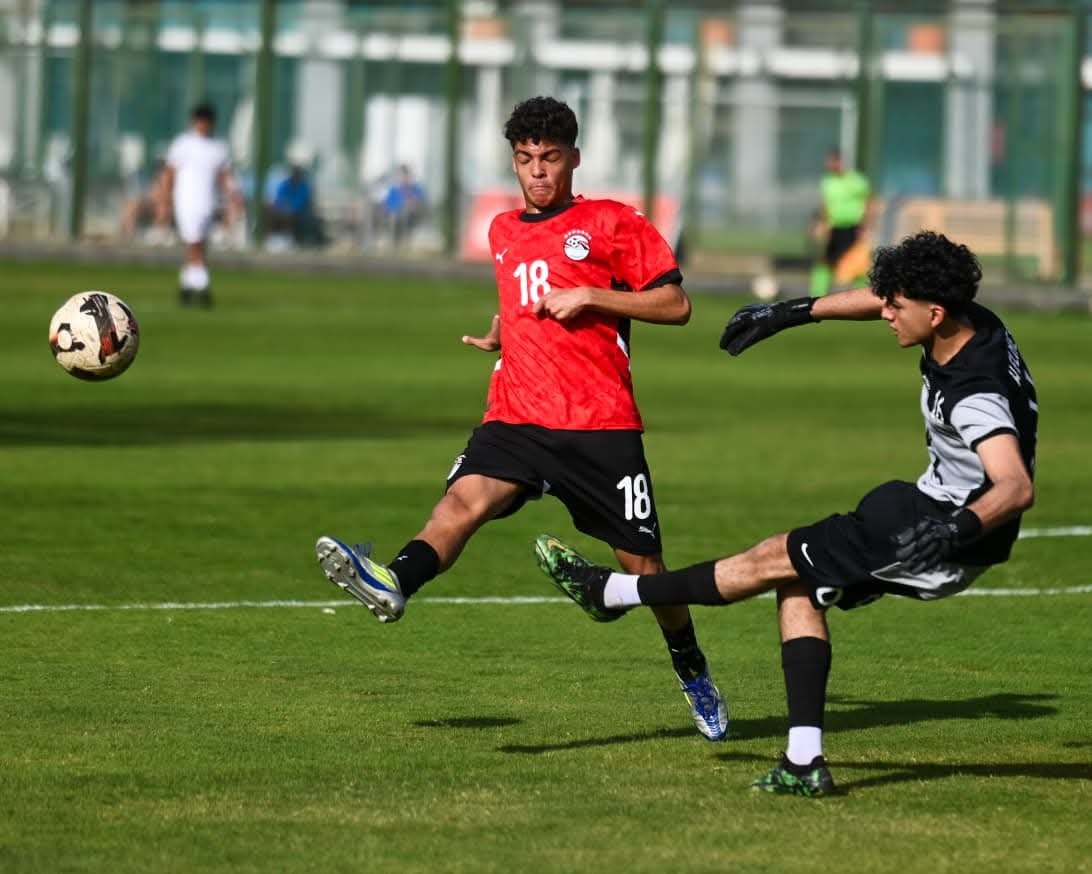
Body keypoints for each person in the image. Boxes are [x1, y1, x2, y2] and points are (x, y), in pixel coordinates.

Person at [534, 231, 1037, 796]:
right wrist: (792, 312)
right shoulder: (968, 320)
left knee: (775, 557)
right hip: (929, 507)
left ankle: (612, 594)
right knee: (799, 585)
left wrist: (953, 529)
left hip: (938, 528)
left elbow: (1015, 486)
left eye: (895, 307)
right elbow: (884, 298)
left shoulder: (974, 393)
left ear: (934, 311)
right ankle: (804, 762)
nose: (886, 313)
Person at [315, 96, 728, 741]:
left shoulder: (612, 222)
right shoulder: (502, 230)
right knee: (459, 507)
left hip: (599, 426)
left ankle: (691, 666)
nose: (537, 172)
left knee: (649, 574)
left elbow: (676, 305)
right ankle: (395, 580)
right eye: (525, 160)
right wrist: (501, 332)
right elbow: (524, 298)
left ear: (574, 159)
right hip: (516, 415)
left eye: (550, 159)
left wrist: (592, 294)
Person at [158, 102, 242, 306]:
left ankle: (186, 286)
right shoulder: (183, 144)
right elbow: (169, 172)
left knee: (199, 245)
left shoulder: (218, 147)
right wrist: (165, 199)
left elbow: (224, 176)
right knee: (194, 242)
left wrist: (233, 196)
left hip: (207, 201)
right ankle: (203, 286)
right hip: (186, 200)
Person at [810, 150, 871, 297]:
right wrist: (822, 223)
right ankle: (817, 295)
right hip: (834, 227)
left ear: (841, 162)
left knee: (858, 262)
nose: (830, 165)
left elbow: (869, 203)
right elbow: (824, 204)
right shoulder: (828, 181)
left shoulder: (857, 180)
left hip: (853, 226)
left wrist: (865, 225)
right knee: (825, 261)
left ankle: (862, 296)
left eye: (832, 161)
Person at [268, 163, 325, 248]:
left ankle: (295, 240)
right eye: (293, 173)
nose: (295, 175)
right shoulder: (284, 184)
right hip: (283, 211)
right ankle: (274, 240)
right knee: (272, 214)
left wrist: (290, 209)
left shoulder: (304, 186)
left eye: (297, 173)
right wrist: (284, 208)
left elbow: (301, 202)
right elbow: (279, 199)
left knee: (300, 218)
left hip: (300, 213)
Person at [381, 164, 427, 245]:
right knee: (394, 217)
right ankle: (396, 241)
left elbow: (421, 203)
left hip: (412, 216)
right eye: (401, 175)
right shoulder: (394, 190)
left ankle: (403, 240)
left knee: (404, 215)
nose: (403, 178)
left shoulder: (416, 189)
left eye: (405, 175)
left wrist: (411, 205)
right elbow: (388, 205)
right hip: (395, 216)